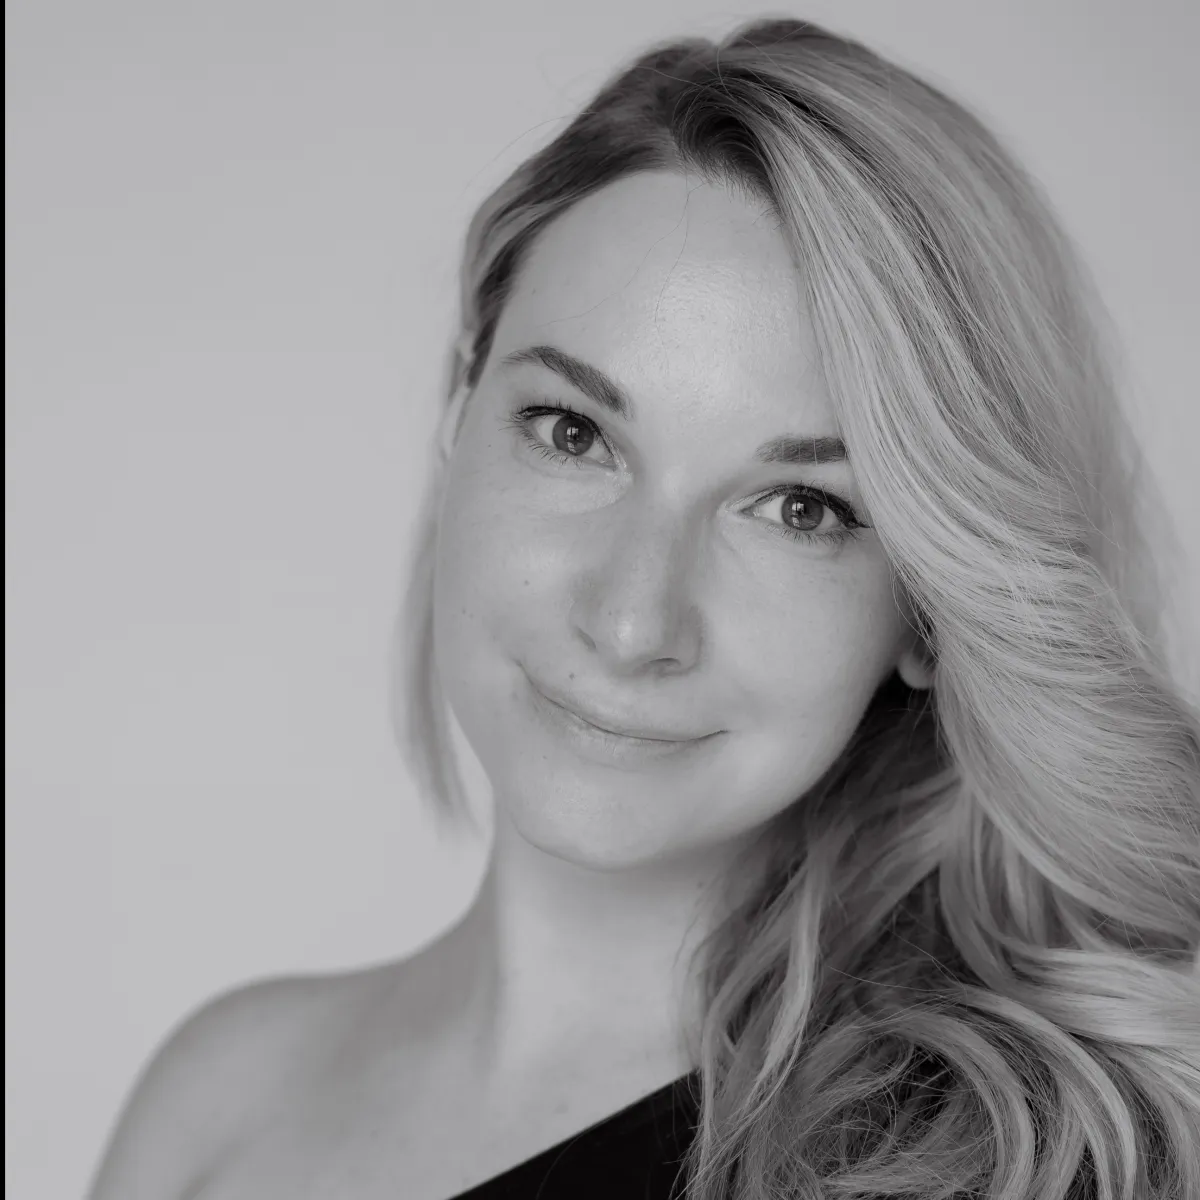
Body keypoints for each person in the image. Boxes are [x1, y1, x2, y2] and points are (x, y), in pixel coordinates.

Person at [87, 16, 1200, 1200]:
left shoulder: (1040, 1159)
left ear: (931, 605)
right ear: (458, 412)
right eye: (575, 434)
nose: (632, 623)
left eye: (800, 509)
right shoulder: (221, 1098)